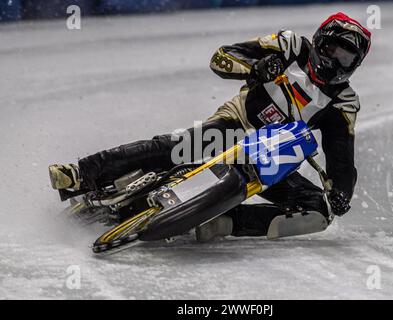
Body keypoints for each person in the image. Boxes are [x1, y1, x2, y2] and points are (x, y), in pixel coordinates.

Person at [49, 12, 371, 242]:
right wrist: (255, 66)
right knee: (183, 145)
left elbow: (341, 156)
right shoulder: (289, 45)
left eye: (345, 58)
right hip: (237, 123)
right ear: (318, 42)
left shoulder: (344, 103)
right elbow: (221, 57)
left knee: (318, 211)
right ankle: (82, 173)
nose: (335, 61)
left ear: (355, 66)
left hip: (271, 159)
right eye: (332, 50)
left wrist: (341, 191)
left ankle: (222, 224)